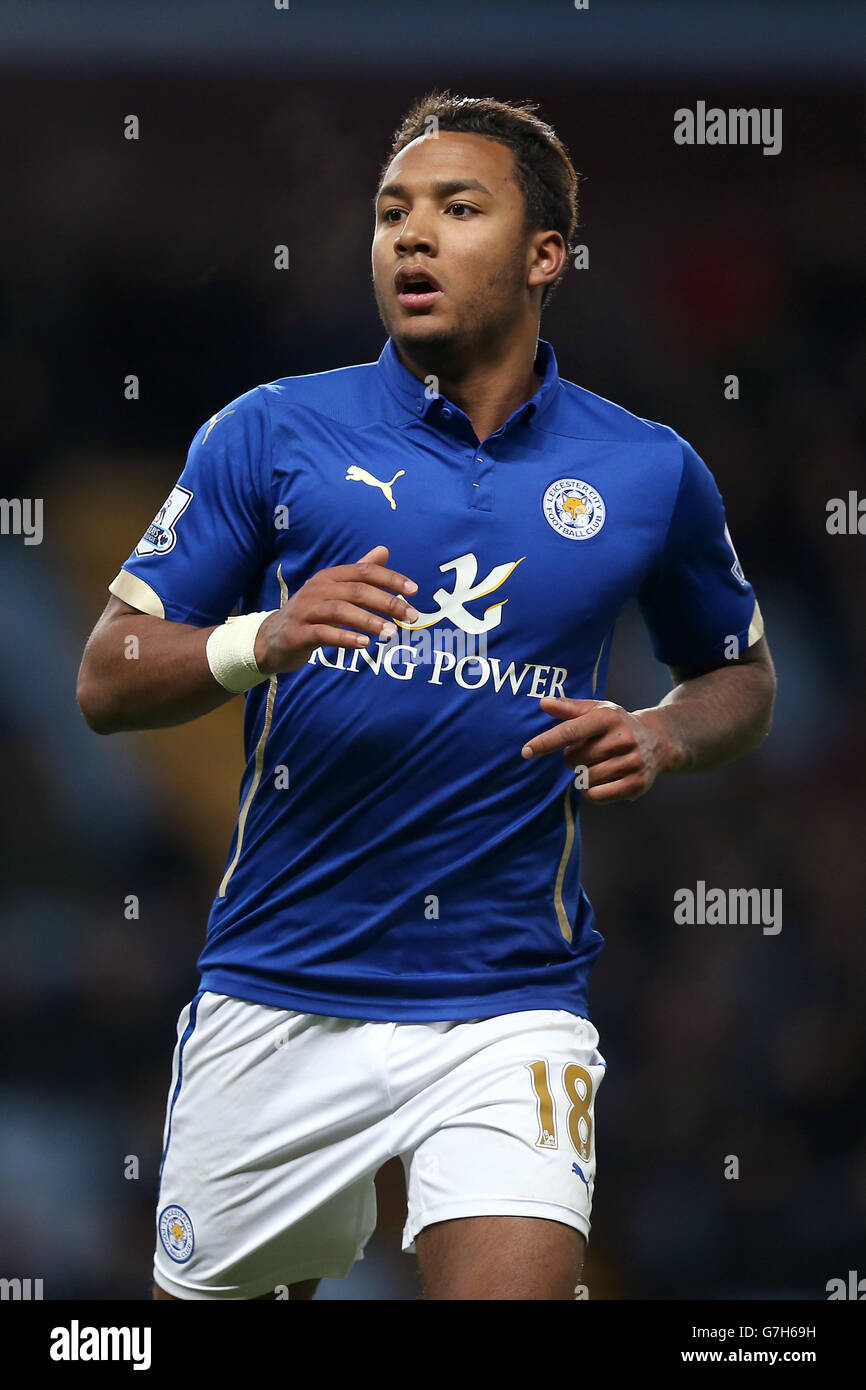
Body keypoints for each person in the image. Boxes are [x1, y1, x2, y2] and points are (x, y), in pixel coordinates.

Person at [76, 89, 776, 1301]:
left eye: (458, 208)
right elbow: (105, 677)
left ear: (544, 254)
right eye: (392, 210)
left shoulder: (647, 469)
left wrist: (663, 732)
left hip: (507, 1002)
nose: (411, 234)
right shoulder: (272, 431)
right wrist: (262, 634)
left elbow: (737, 675)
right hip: (280, 990)